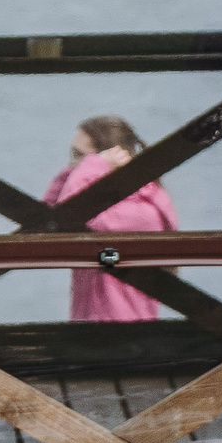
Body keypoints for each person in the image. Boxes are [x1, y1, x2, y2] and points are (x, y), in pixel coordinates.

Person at [45, 115, 178, 321]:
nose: (74, 163)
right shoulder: (92, 194)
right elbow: (46, 216)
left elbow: (70, 217)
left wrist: (93, 166)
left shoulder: (142, 209)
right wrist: (74, 170)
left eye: (80, 155)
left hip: (125, 328)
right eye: (73, 154)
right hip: (90, 325)